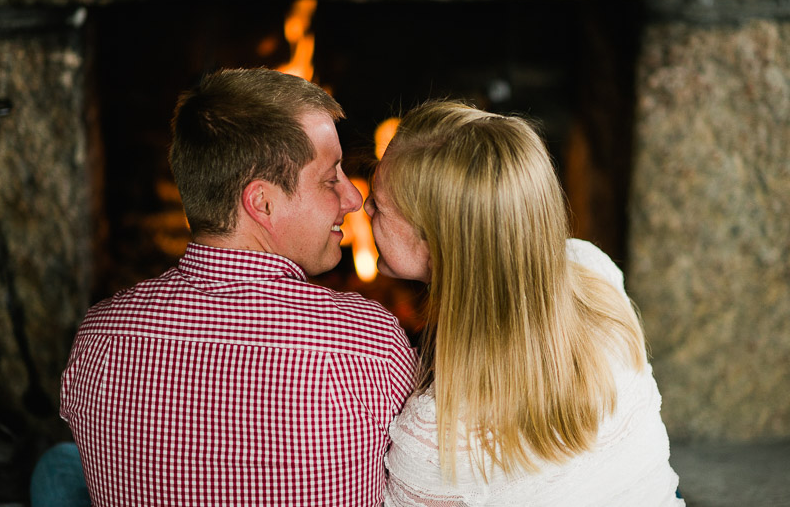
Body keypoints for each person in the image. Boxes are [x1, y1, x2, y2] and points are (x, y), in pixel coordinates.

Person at [60, 67, 417, 506]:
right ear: (262, 203)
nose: (353, 198)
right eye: (330, 178)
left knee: (57, 466)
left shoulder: (101, 334)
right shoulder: (367, 344)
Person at [364, 100, 685, 506]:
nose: (362, 206)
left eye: (378, 203)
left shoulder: (437, 436)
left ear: (437, 241)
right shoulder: (591, 267)